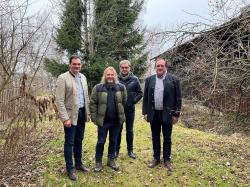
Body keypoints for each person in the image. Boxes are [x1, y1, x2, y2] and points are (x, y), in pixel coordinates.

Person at [142, 57, 182, 171]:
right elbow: (146, 98)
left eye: (162, 66)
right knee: (155, 137)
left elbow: (178, 98)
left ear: (166, 67)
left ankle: (167, 159)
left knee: (167, 138)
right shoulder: (149, 80)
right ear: (155, 67)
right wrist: (145, 112)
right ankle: (156, 158)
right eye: (158, 66)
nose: (159, 68)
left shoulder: (174, 80)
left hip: (168, 114)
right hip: (153, 114)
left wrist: (176, 115)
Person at [55, 54, 90, 180]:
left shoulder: (83, 77)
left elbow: (86, 97)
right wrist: (65, 118)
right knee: (69, 142)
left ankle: (79, 164)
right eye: (74, 64)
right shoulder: (63, 78)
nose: (76, 66)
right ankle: (70, 169)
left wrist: (88, 113)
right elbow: (59, 100)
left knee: (79, 140)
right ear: (69, 64)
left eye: (78, 64)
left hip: (81, 113)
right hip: (70, 116)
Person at [90, 66, 127, 172]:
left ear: (115, 76)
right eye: (108, 74)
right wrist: (95, 118)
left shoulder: (121, 88)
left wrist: (119, 114)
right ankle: (98, 162)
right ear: (105, 76)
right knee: (101, 141)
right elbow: (93, 103)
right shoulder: (98, 88)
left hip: (116, 121)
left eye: (112, 74)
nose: (110, 76)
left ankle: (111, 160)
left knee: (113, 141)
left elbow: (124, 101)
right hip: (103, 122)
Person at [116, 60, 143, 159]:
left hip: (130, 110)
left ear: (129, 68)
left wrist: (133, 101)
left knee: (129, 130)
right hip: (118, 110)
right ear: (120, 68)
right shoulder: (116, 79)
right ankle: (116, 150)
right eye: (122, 67)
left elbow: (140, 93)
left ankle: (130, 150)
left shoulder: (134, 79)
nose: (124, 69)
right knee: (118, 130)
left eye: (126, 67)